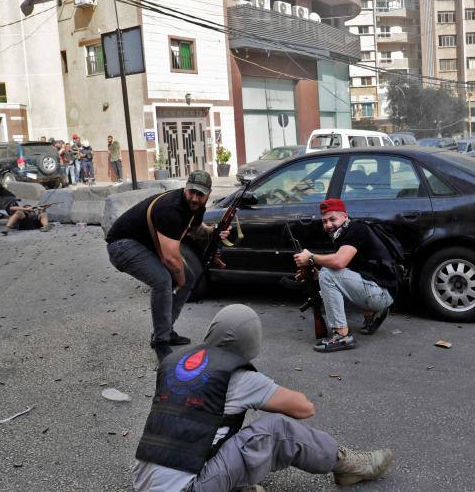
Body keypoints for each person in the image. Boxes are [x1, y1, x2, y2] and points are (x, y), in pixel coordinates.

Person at [132, 304, 394, 492]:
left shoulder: (173, 363)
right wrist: (260, 389)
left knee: (219, 429)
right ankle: (348, 465)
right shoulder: (238, 378)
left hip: (142, 482)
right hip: (188, 488)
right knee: (277, 430)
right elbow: (304, 408)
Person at [106, 170, 230, 360]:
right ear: (185, 188)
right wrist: (179, 279)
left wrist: (214, 232)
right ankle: (161, 342)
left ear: (208, 195)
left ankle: (165, 330)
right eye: (192, 192)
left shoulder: (196, 207)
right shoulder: (170, 209)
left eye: (200, 194)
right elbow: (171, 258)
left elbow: (195, 228)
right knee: (163, 280)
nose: (195, 198)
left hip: (144, 246)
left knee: (187, 278)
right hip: (122, 246)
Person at [292, 199, 395, 353]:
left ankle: (342, 335)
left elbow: (339, 263)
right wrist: (314, 275)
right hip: (375, 288)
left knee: (327, 274)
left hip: (381, 292)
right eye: (324, 221)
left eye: (332, 219)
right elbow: (344, 274)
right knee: (321, 295)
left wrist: (311, 257)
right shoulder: (342, 234)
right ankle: (371, 312)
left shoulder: (356, 228)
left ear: (345, 216)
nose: (328, 225)